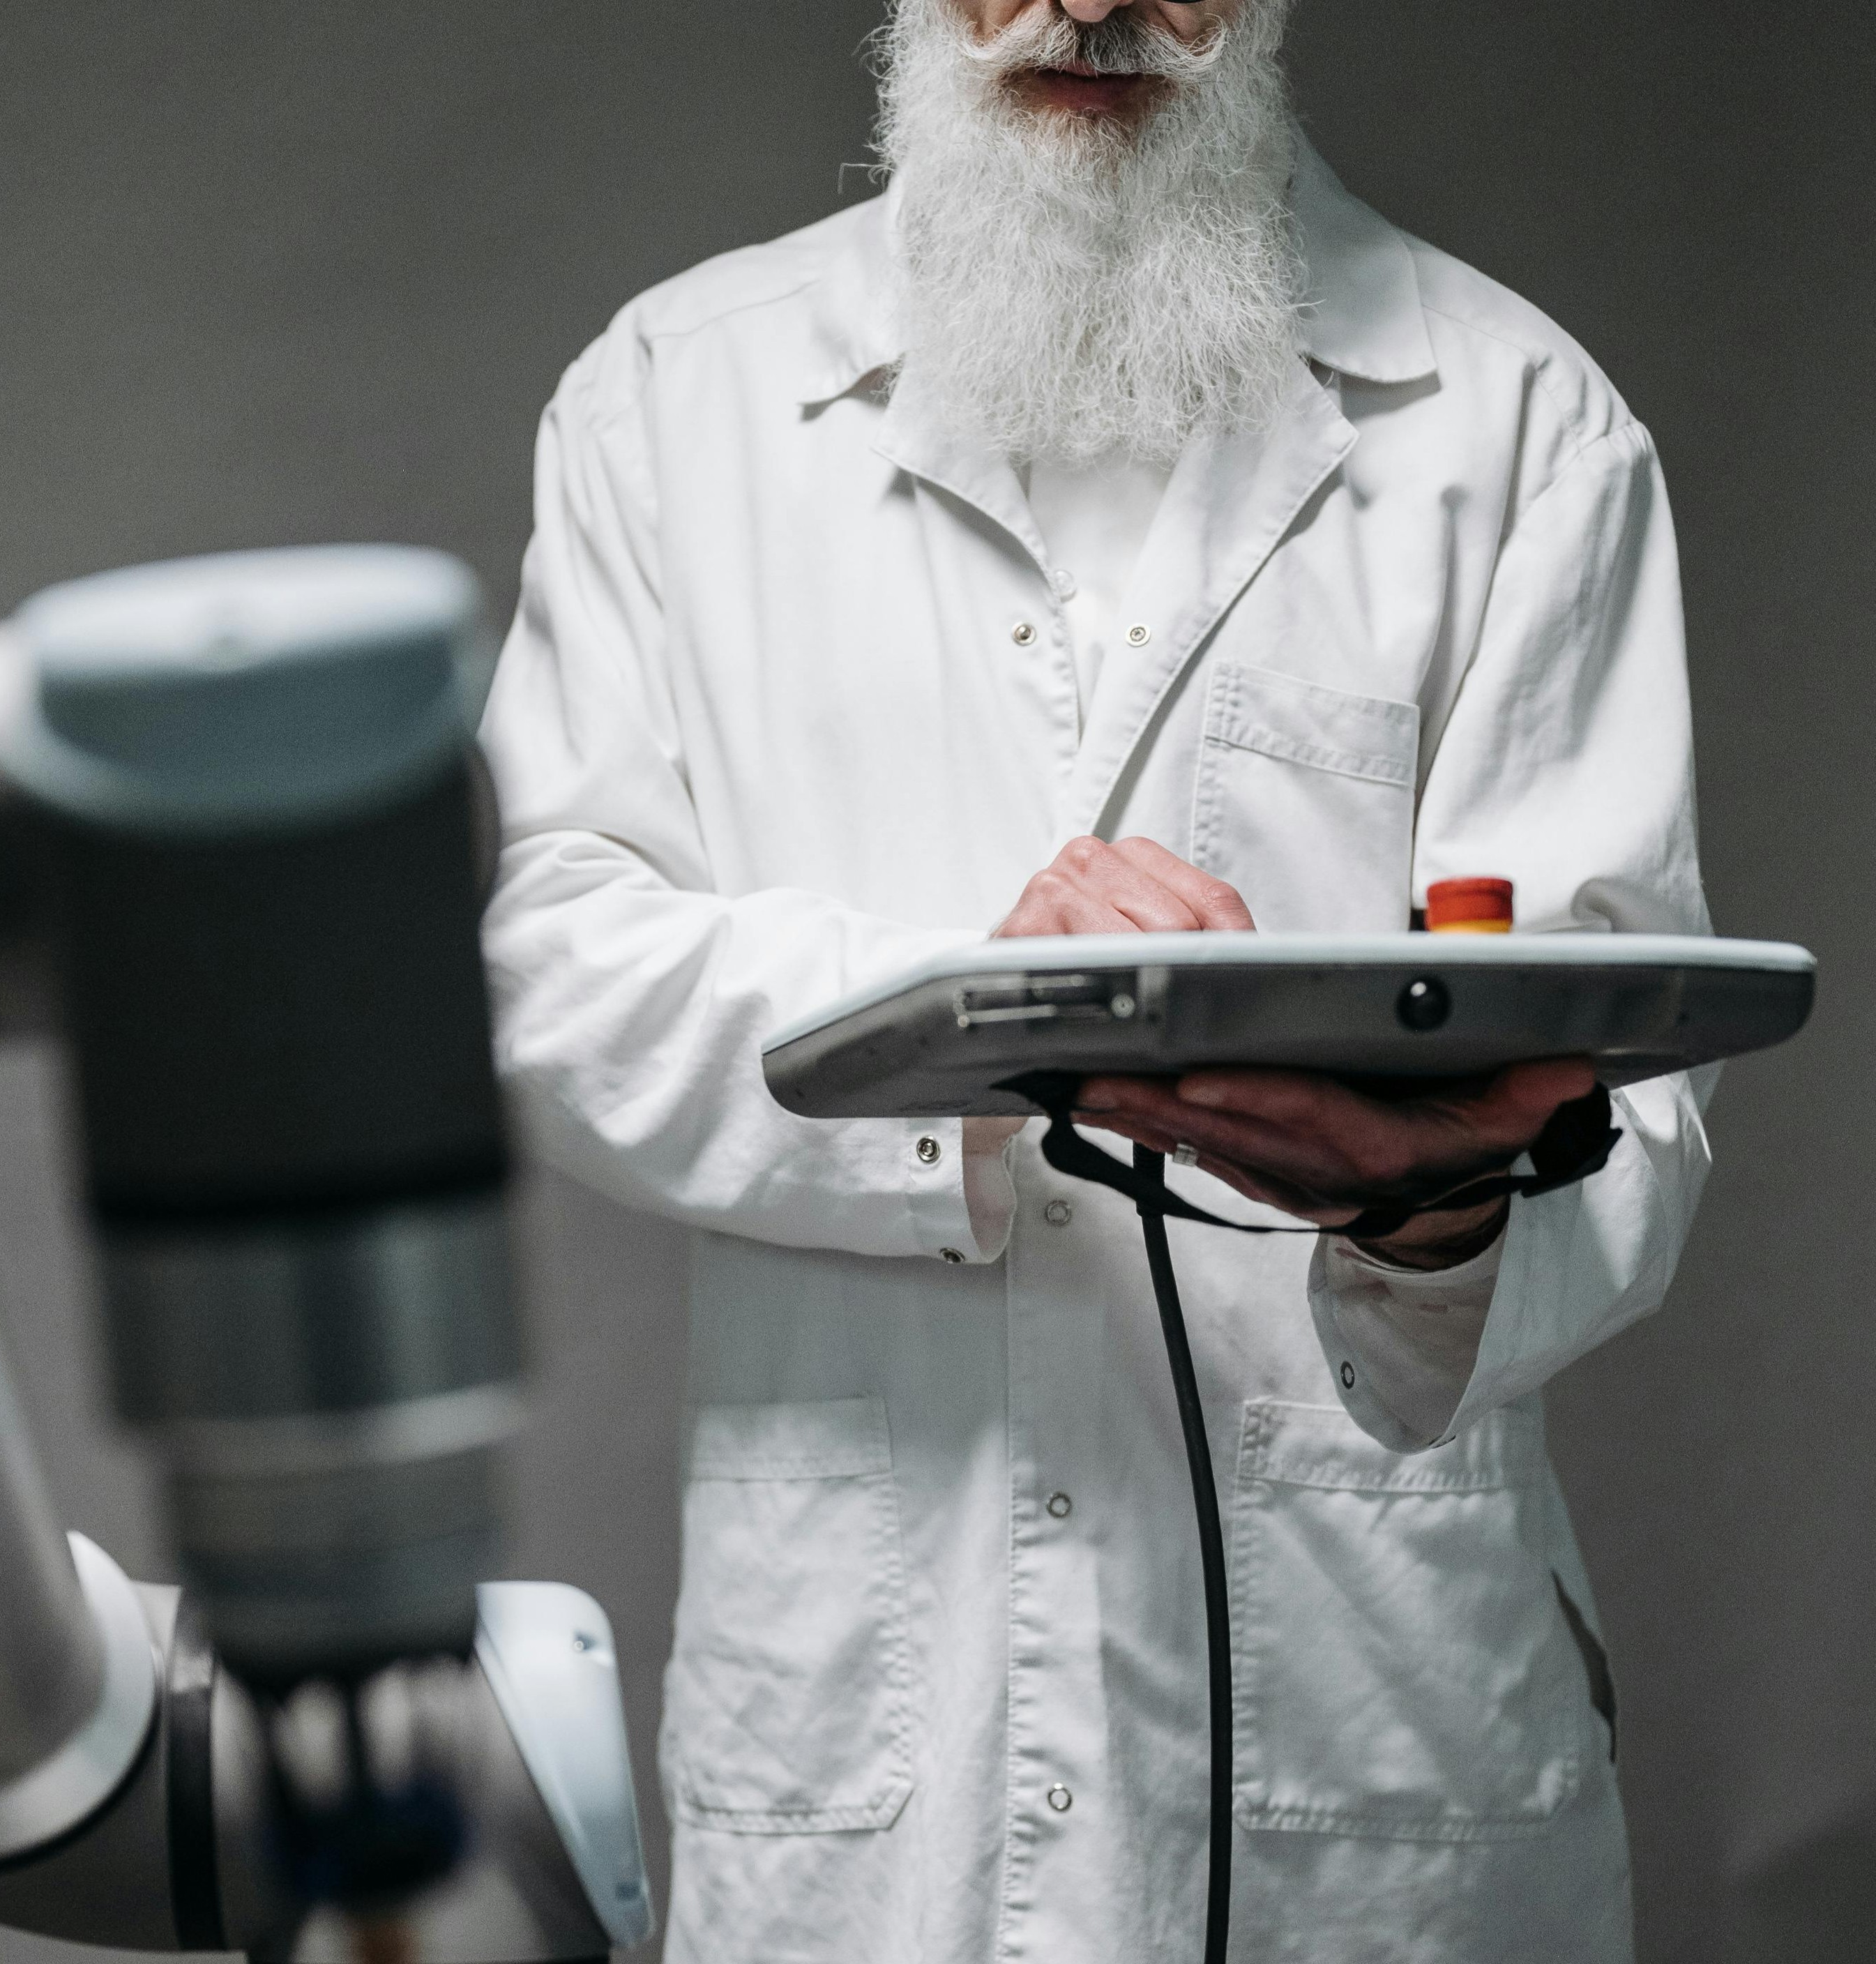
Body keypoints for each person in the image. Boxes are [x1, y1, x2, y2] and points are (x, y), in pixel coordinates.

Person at [479, 1, 1709, 1958]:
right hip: (875, 1741)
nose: (1091, 4)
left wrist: (1440, 1191)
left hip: (1376, 1730)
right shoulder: (675, 403)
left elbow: (1631, 1089)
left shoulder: (1516, 427)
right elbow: (555, 969)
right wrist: (988, 1022)